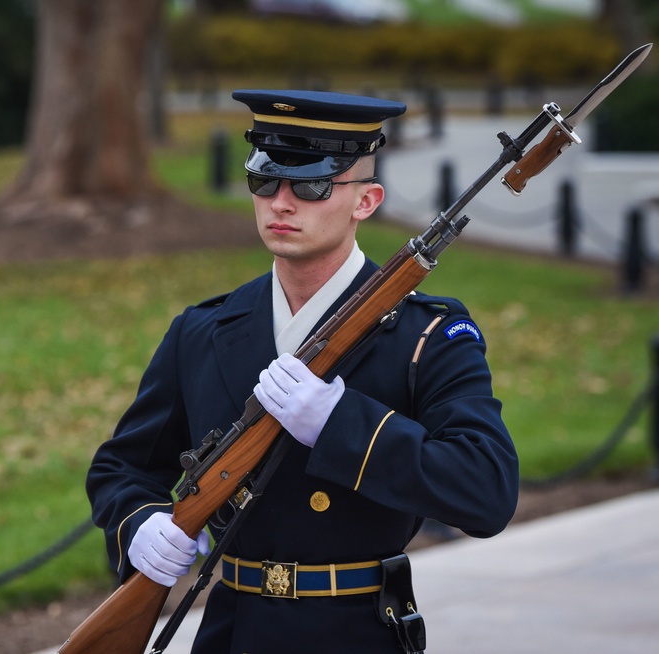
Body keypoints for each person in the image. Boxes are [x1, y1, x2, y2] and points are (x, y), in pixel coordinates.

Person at [86, 89, 519, 653]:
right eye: (264, 181)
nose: (280, 203)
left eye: (311, 185)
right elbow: (122, 467)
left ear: (366, 201)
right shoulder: (202, 330)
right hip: (231, 633)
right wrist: (139, 523)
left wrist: (341, 423)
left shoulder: (426, 336)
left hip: (360, 634)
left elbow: (487, 488)